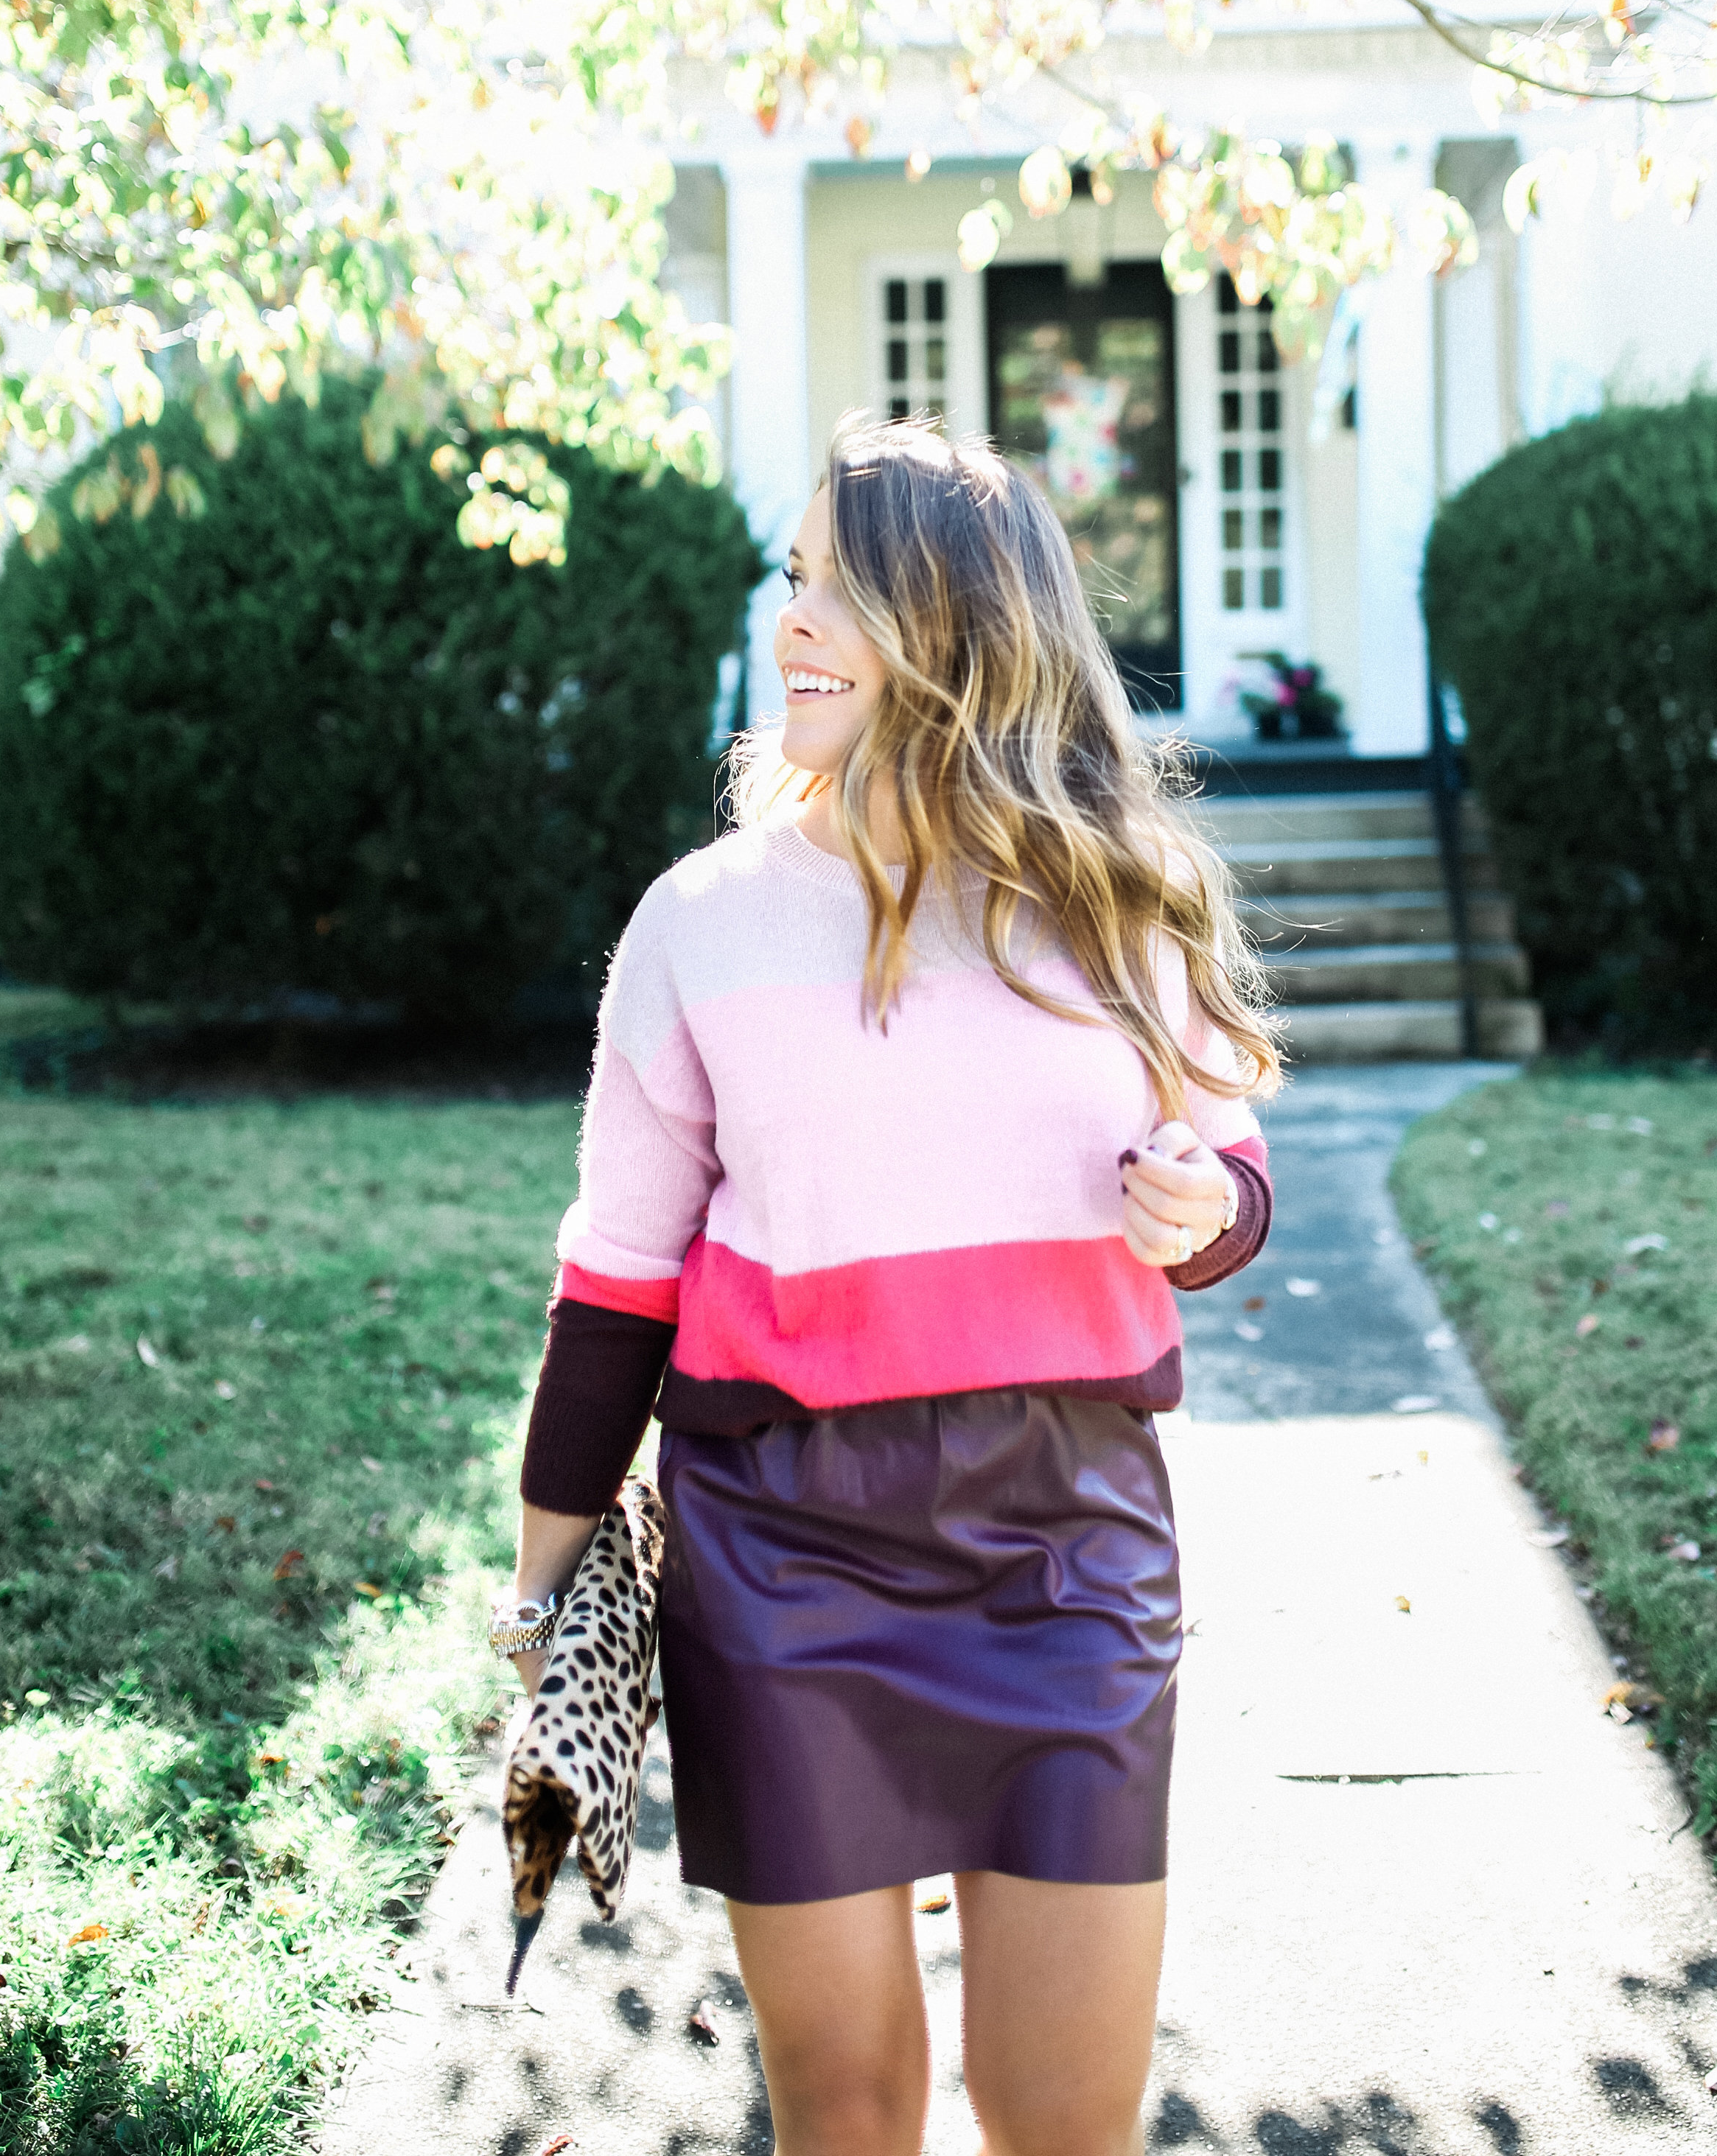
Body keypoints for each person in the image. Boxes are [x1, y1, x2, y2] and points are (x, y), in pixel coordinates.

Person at [495, 414, 1278, 2156]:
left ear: (960, 633)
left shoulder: (1118, 897)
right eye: (790, 578)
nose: (790, 620)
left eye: (838, 588)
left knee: (1056, 2118)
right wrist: (543, 1600)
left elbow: (1228, 1175)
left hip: (1066, 1543)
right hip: (779, 1555)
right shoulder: (700, 920)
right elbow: (616, 1281)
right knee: (844, 2113)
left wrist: (1191, 1204)